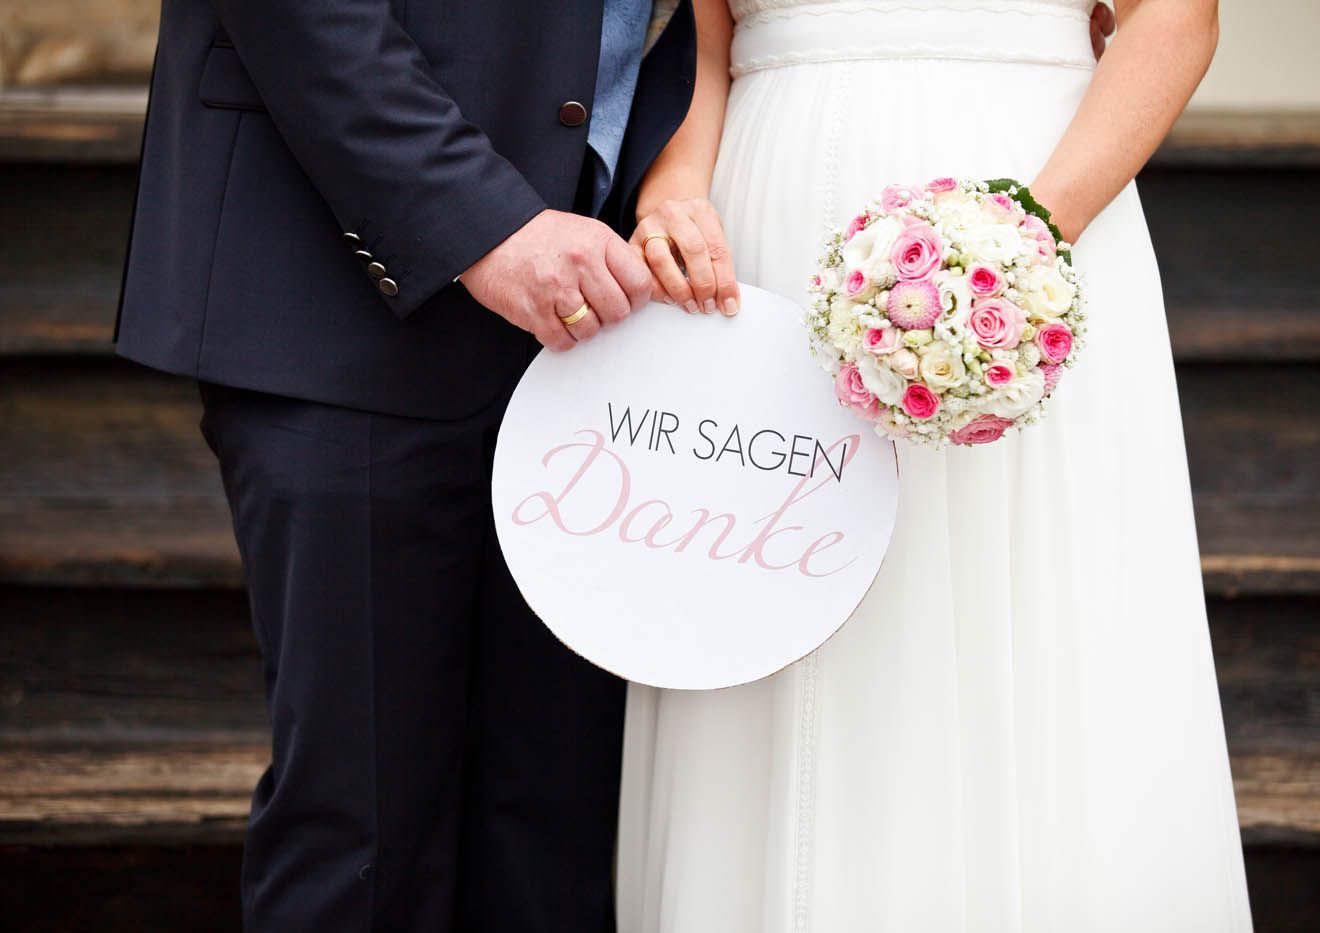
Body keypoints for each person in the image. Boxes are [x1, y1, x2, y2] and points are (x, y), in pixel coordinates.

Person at [619, 1, 1254, 930]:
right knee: (771, 602)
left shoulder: (1029, 229)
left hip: (1030, 206)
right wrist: (671, 198)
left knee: (1029, 609)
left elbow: (1176, 16)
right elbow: (706, 47)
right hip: (767, 238)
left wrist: (1027, 233)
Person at [115, 1, 696, 929]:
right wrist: (482, 223)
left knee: (560, 835)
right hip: (333, 281)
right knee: (364, 836)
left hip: (616, 324)